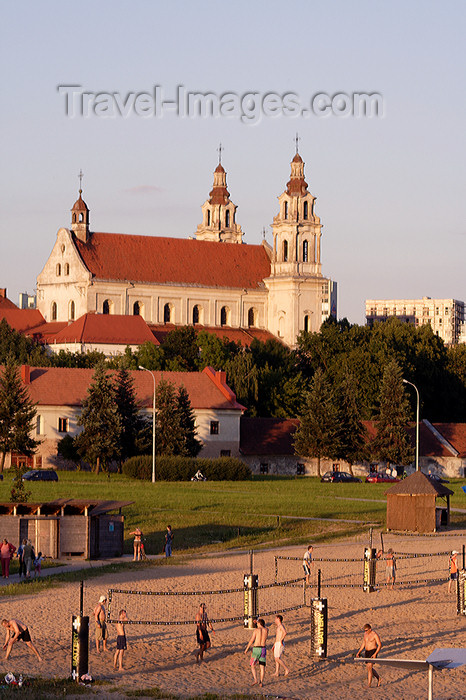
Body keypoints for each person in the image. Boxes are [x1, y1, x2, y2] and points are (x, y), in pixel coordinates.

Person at [245, 618, 268, 687]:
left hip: (256, 649)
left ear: (259, 624)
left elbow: (251, 640)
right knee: (262, 667)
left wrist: (247, 649)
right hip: (263, 649)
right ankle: (261, 682)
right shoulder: (266, 630)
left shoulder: (256, 630)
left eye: (257, 623)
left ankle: (255, 679)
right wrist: (258, 622)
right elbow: (265, 627)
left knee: (252, 665)